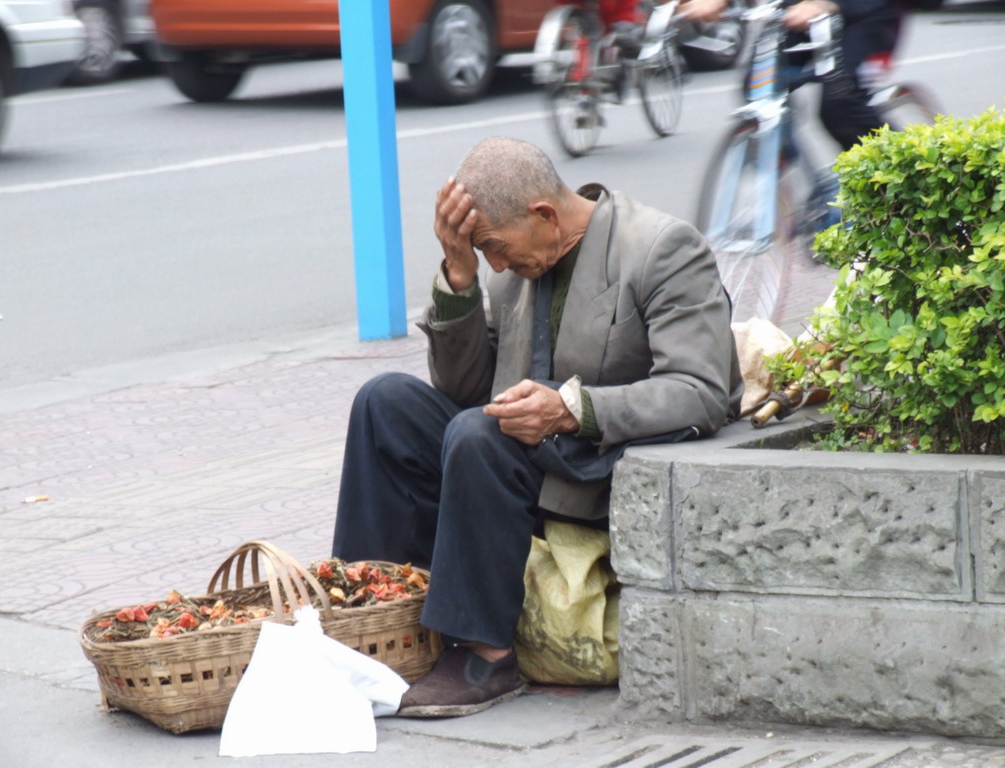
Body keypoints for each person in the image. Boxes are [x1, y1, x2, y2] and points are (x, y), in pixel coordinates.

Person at [331, 137, 743, 718]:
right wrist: (459, 277)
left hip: (601, 462)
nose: (496, 264)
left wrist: (576, 408)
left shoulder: (661, 248)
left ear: (544, 216)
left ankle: (486, 654)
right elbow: (464, 393)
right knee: (385, 403)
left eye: (495, 248)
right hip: (519, 452)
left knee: (480, 435)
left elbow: (701, 392)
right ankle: (370, 621)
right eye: (484, 254)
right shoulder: (509, 273)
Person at [683, 0, 905, 151]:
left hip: (866, 13)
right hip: (795, 12)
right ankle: (779, 186)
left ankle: (907, 190)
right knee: (759, 92)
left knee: (840, 106)